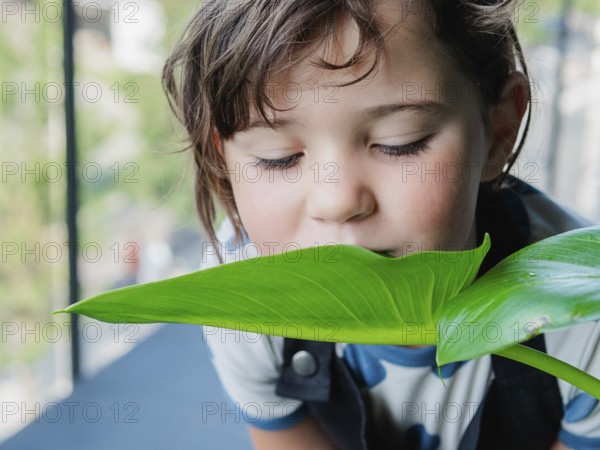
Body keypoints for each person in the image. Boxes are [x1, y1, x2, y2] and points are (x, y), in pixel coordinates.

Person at [162, 1, 599, 449]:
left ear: (499, 129)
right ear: (225, 159)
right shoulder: (241, 301)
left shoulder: (584, 312)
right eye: (279, 158)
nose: (336, 201)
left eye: (400, 144)